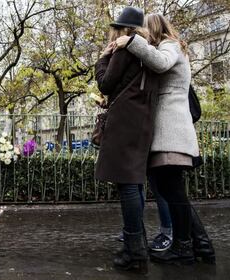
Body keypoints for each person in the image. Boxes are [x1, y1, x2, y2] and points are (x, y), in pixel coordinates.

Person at [115, 13, 215, 265]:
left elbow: (160, 64)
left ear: (154, 28)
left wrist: (130, 43)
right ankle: (200, 245)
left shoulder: (170, 46)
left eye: (144, 31)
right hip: (166, 133)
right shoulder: (168, 47)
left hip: (171, 132)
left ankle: (185, 249)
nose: (142, 36)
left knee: (172, 191)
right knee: (171, 190)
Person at [94, 7, 159, 273]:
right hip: (142, 120)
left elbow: (105, 83)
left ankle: (135, 252)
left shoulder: (125, 50)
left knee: (128, 184)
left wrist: (103, 58)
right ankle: (136, 246)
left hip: (124, 123)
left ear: (123, 30)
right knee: (134, 183)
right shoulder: (149, 51)